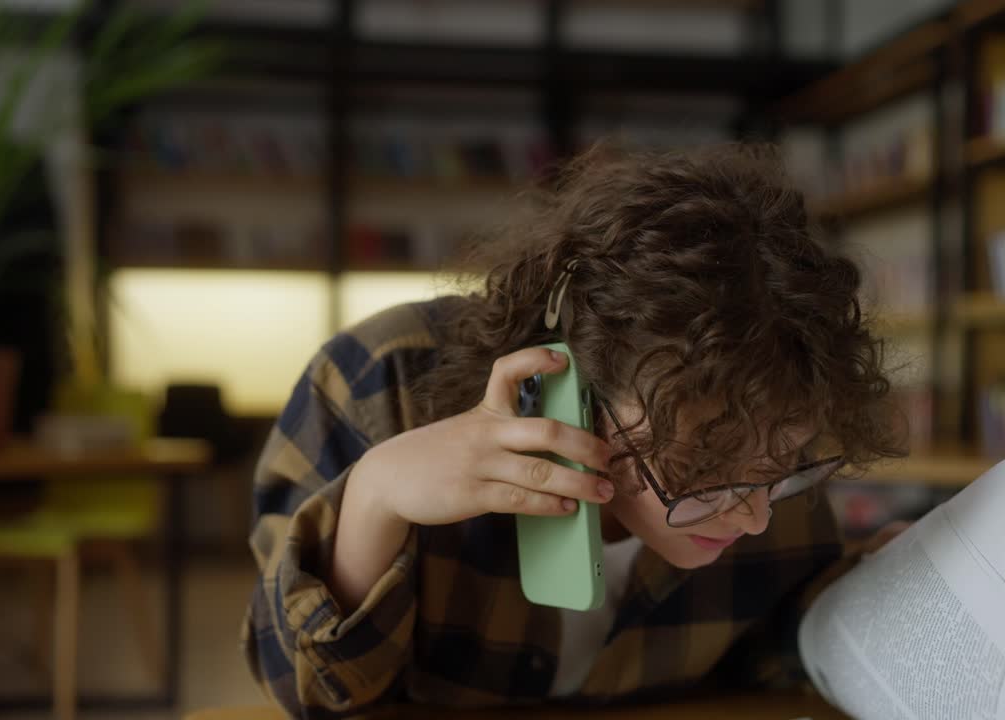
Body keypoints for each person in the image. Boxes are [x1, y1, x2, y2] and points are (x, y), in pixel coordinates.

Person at [242, 143, 907, 717]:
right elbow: (302, 692)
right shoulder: (379, 384)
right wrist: (375, 499)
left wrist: (864, 597)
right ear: (571, 386)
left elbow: (764, 652)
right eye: (700, 468)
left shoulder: (765, 429)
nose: (754, 516)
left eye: (784, 462)